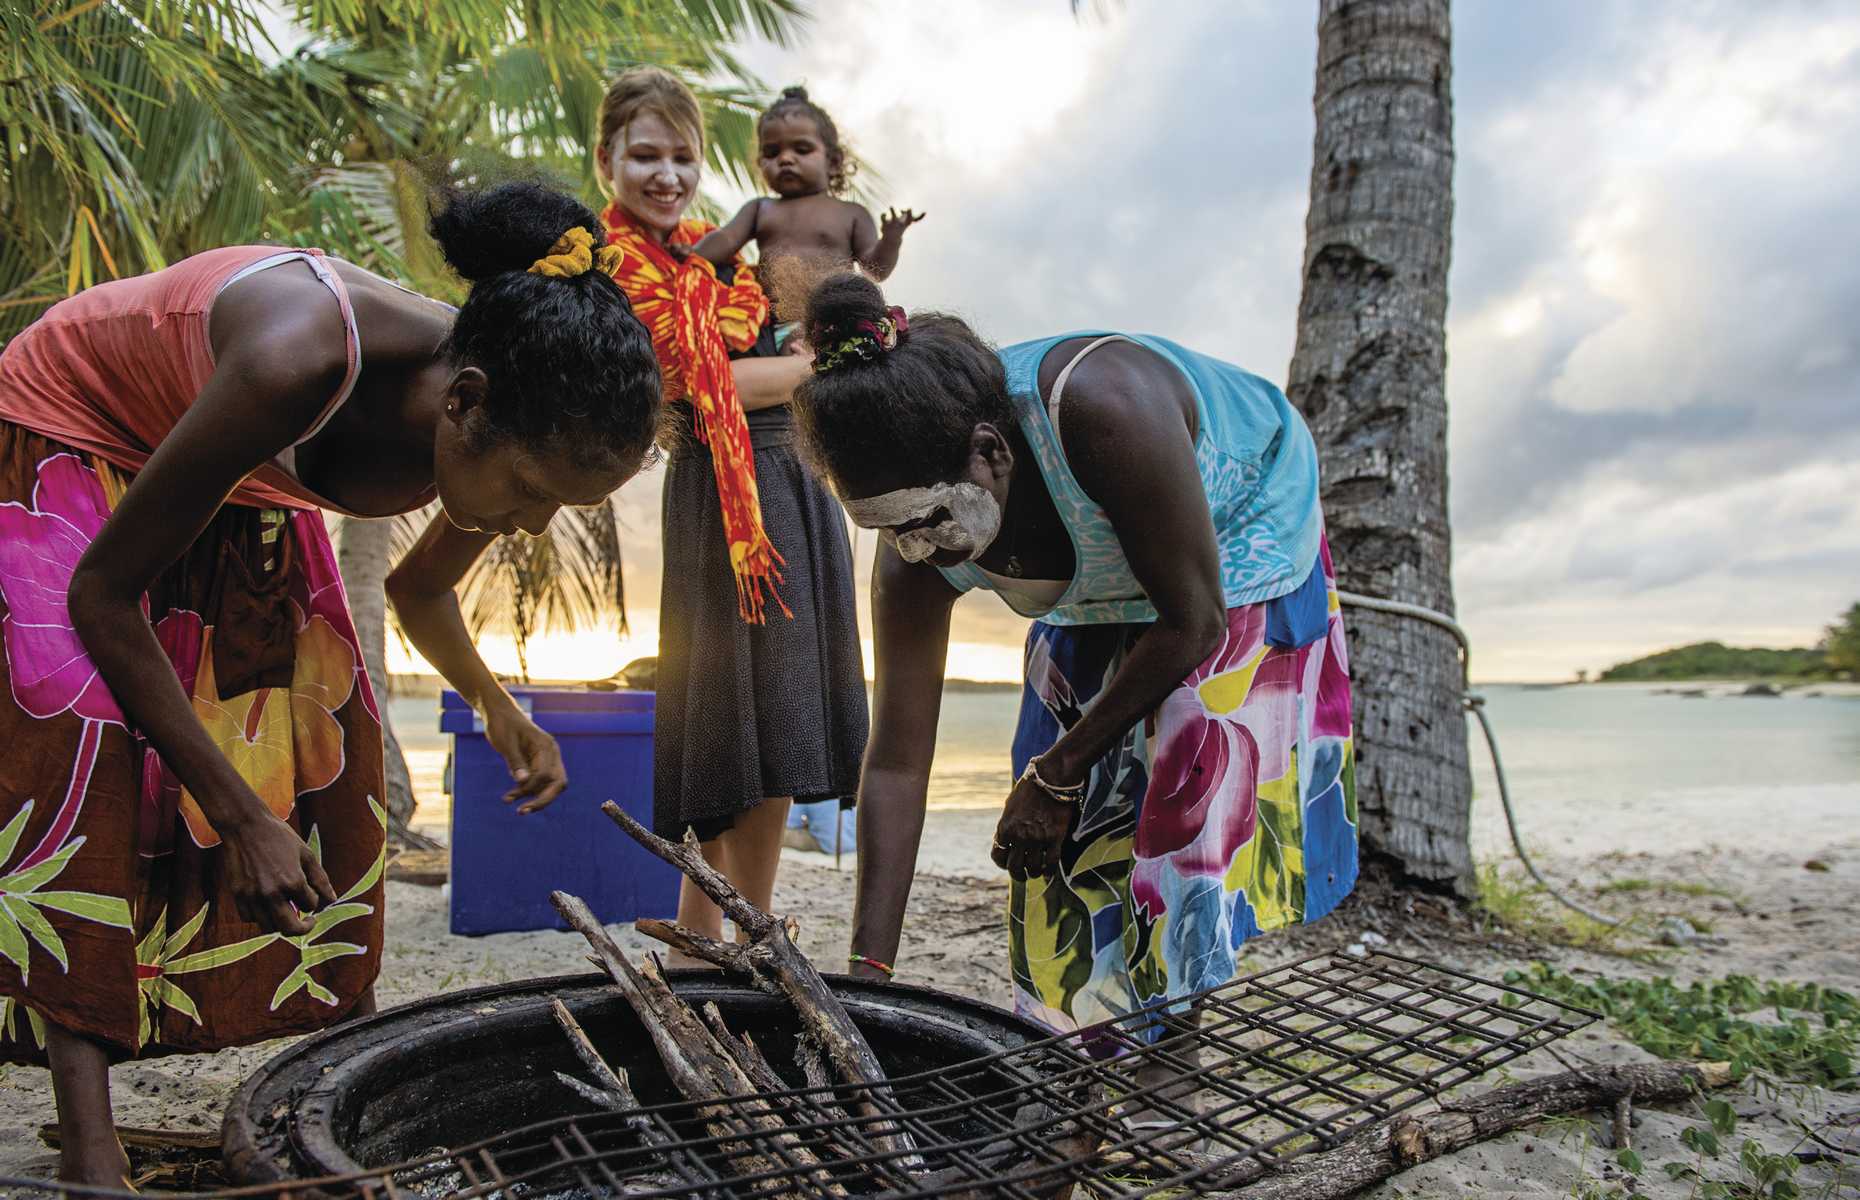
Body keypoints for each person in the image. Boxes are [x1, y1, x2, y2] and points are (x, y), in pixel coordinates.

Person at [0, 180, 663, 1186]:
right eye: (530, 495)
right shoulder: (295, 361)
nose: (528, 526)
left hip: (234, 478)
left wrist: (499, 708)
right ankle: (91, 1146)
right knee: (89, 751)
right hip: (72, 427)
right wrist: (234, 813)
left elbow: (419, 586)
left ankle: (337, 1079)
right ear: (464, 403)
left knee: (332, 779)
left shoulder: (499, 397)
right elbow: (101, 599)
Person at [790, 273, 1357, 1034]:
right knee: (1051, 841)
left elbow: (1193, 622)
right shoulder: (913, 549)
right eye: (887, 531)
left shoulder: (1103, 409)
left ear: (989, 453)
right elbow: (896, 760)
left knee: (1182, 786)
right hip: (1101, 571)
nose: (914, 548)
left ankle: (1169, 1067)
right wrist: (870, 973)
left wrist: (1057, 774)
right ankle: (1078, 1065)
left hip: (1232, 539)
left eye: (926, 519)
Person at [592, 68, 868, 954]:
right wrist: (824, 362)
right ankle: (748, 931)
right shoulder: (609, 267)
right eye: (644, 156)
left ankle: (707, 925)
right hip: (726, 498)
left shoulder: (717, 259)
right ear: (607, 161)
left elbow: (781, 343)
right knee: (734, 711)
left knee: (764, 713)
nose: (665, 175)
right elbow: (683, 387)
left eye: (682, 156)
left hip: (790, 481)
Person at [690, 85, 923, 343]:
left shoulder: (851, 213)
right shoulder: (760, 208)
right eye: (772, 152)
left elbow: (875, 269)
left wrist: (891, 239)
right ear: (760, 163)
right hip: (771, 326)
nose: (785, 159)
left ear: (833, 162)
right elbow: (725, 239)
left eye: (801, 149)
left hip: (839, 321)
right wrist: (687, 256)